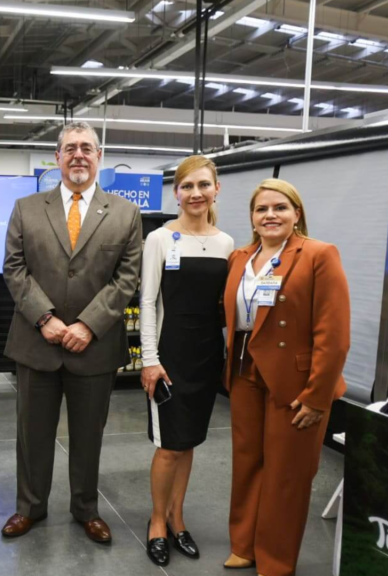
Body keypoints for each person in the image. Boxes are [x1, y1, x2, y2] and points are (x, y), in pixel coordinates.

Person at [0, 121, 142, 544]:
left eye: (87, 148)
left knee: (88, 437)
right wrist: (45, 318)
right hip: (36, 342)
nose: (79, 155)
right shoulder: (27, 208)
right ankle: (30, 507)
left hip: (94, 347)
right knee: (32, 435)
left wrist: (88, 324)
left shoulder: (125, 213)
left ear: (99, 156)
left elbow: (127, 277)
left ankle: (86, 508)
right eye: (70, 148)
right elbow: (14, 268)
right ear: (57, 157)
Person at [222, 179, 350, 576]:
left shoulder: (318, 255)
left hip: (296, 382)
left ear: (297, 214)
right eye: (262, 209)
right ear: (252, 218)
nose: (270, 215)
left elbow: (334, 334)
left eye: (280, 207)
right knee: (247, 463)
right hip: (245, 373)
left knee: (286, 474)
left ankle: (275, 560)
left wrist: (318, 396)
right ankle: (244, 544)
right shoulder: (240, 257)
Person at [140, 155, 233, 566]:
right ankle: (157, 521)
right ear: (175, 193)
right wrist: (149, 359)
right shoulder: (160, 239)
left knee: (189, 441)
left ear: (216, 189)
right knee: (168, 446)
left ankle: (178, 518)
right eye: (187, 186)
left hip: (207, 355)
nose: (196, 193)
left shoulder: (226, 243)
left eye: (203, 185)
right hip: (169, 355)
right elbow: (146, 301)